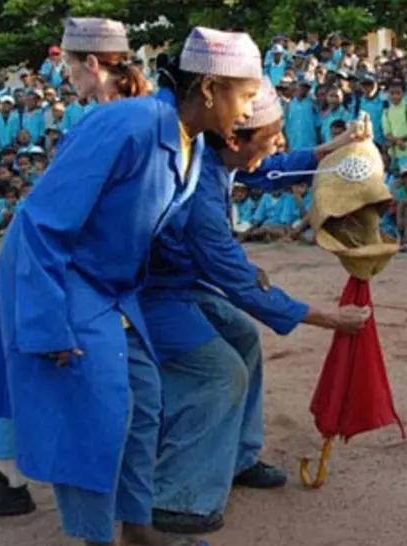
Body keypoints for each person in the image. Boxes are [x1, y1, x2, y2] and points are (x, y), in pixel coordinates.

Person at [0, 23, 262, 546]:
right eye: (245, 97)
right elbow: (40, 222)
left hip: (111, 288)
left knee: (145, 397)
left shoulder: (190, 147)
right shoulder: (128, 124)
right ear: (209, 88)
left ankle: (137, 527)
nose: (248, 111)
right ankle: (96, 536)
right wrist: (48, 323)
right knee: (102, 406)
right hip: (64, 277)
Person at [142, 84, 372, 534]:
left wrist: (333, 147)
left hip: (179, 283)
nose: (278, 143)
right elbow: (240, 283)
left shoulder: (219, 158)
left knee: (242, 336)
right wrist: (329, 319)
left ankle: (238, 458)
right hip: (148, 293)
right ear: (235, 140)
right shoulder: (201, 193)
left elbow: (271, 169)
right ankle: (176, 498)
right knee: (219, 372)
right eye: (271, 136)